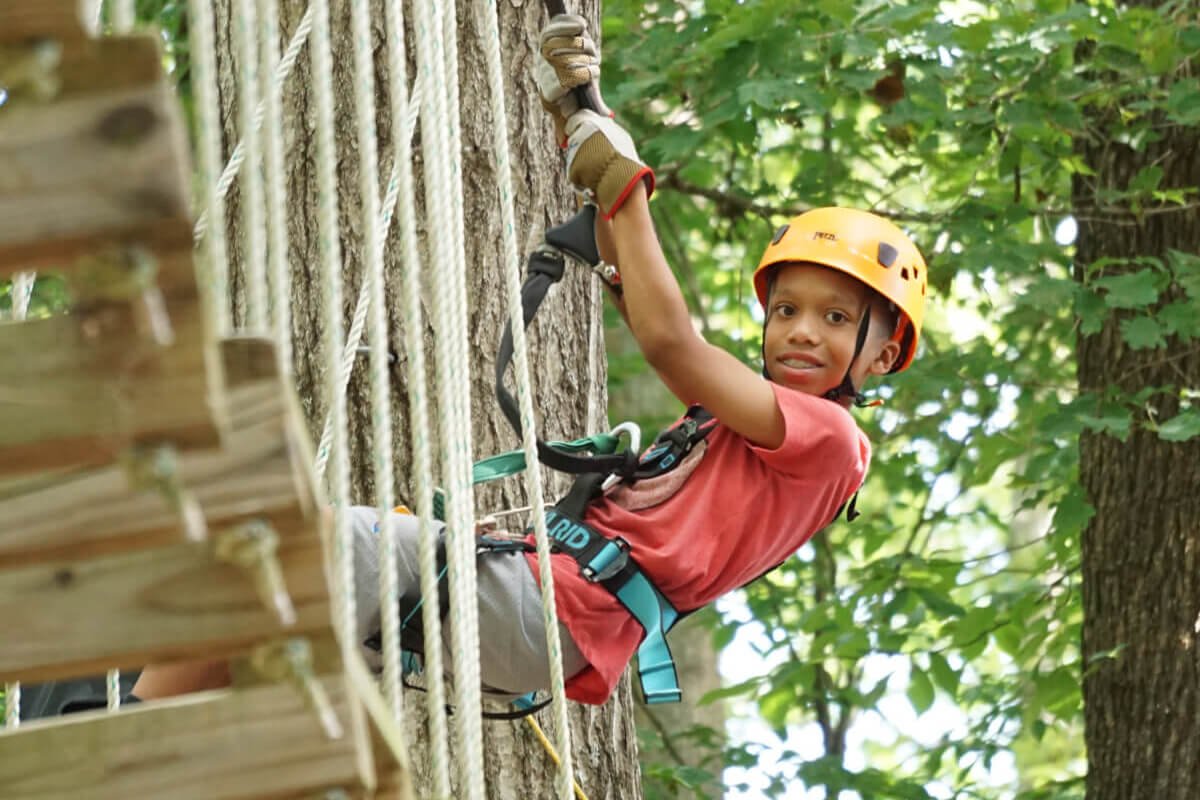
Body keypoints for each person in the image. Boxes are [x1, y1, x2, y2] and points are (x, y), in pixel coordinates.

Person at [132, 13, 928, 709]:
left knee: (282, 541)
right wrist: (585, 118)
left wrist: (627, 186)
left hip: (554, 611)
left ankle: (117, 748)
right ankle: (148, 747)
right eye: (786, 310)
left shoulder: (829, 442)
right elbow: (646, 297)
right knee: (255, 608)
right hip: (533, 594)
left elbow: (670, 342)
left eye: (834, 319)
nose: (800, 333)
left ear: (883, 352)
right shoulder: (751, 422)